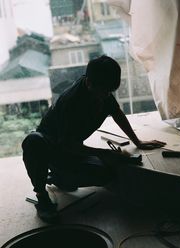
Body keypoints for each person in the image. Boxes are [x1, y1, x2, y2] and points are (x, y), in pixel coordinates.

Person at [22, 55, 166, 223]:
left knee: (106, 175)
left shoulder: (102, 88)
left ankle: (60, 177)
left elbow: (117, 112)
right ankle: (42, 196)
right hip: (51, 150)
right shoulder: (71, 102)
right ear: (89, 83)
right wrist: (103, 153)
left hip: (72, 150)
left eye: (109, 92)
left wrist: (137, 141)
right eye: (104, 92)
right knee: (33, 141)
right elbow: (67, 144)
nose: (106, 96)